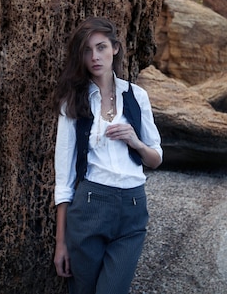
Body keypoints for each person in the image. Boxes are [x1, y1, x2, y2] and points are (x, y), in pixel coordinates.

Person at [53, 17, 163, 294]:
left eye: (101, 47)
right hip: (90, 207)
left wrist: (135, 142)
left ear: (115, 48)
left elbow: (156, 158)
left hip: (133, 208)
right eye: (87, 50)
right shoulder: (74, 102)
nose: (94, 57)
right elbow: (64, 180)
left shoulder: (137, 96)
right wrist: (61, 243)